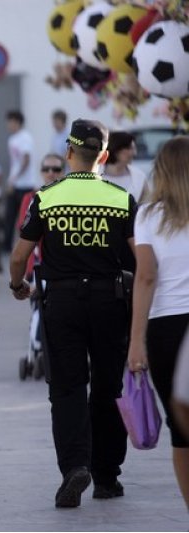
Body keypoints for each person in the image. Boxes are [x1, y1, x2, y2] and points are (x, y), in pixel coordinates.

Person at [9, 119, 136, 508]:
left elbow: (19, 255)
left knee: (65, 388)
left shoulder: (47, 197)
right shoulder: (122, 199)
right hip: (110, 302)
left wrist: (18, 285)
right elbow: (139, 255)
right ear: (103, 154)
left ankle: (74, 467)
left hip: (61, 302)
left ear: (68, 153)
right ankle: (107, 477)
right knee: (108, 387)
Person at [127, 135, 189, 508]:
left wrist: (136, 342)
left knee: (182, 433)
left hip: (167, 327)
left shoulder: (149, 215)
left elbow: (146, 277)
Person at [4, 110, 36, 252]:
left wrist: (14, 179)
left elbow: (26, 160)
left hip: (25, 184)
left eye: (10, 122)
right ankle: (7, 246)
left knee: (25, 218)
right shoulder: (12, 139)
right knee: (9, 216)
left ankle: (25, 246)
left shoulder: (25, 138)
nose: (8, 125)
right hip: (14, 183)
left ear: (17, 122)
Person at [102, 131, 148, 202]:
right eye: (130, 148)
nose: (134, 153)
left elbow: (145, 206)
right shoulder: (95, 175)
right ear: (116, 149)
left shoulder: (139, 177)